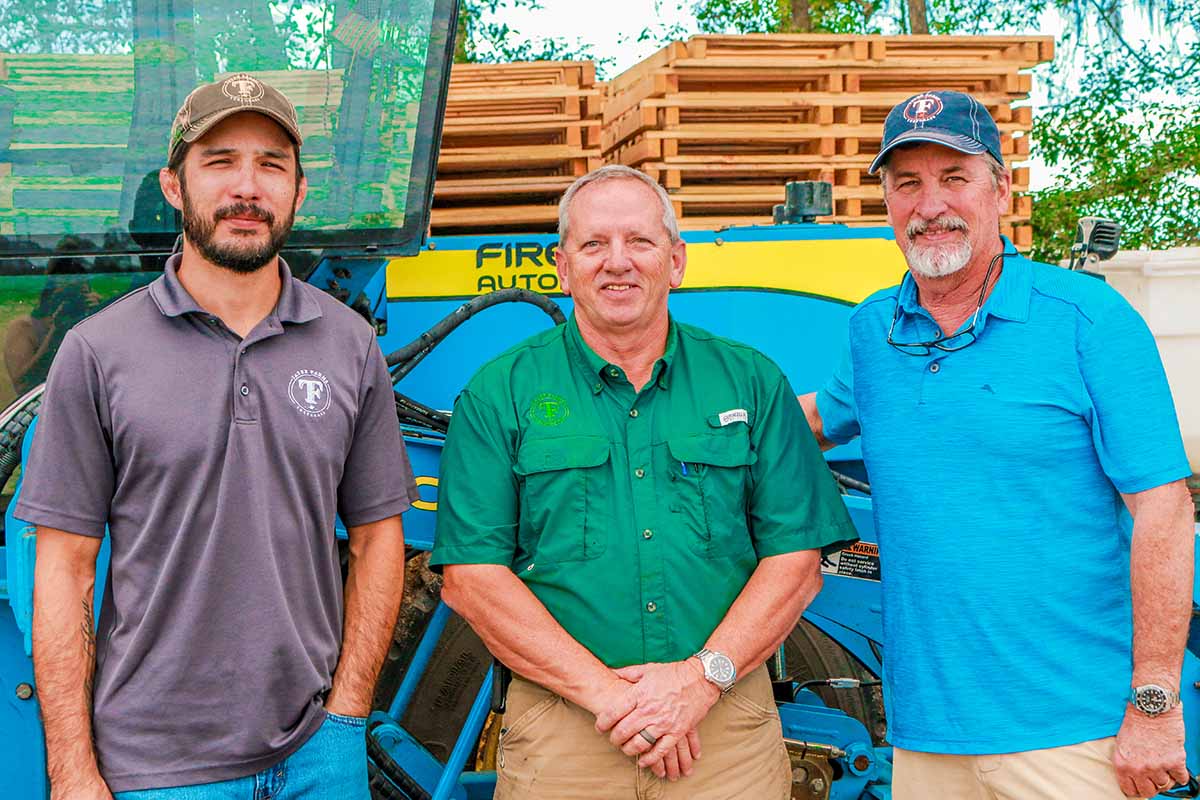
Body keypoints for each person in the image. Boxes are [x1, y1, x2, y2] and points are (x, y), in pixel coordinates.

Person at [17, 74, 419, 799]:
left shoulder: (350, 346)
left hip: (318, 758)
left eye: (271, 165)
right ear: (174, 186)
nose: (247, 187)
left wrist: (347, 715)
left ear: (299, 190)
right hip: (155, 770)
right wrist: (72, 769)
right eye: (220, 161)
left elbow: (378, 539)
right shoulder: (98, 351)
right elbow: (64, 568)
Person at [799, 89, 1195, 800]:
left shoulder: (1088, 320)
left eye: (954, 177)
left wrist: (1155, 704)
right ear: (887, 202)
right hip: (926, 738)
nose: (930, 205)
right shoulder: (873, 331)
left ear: (1001, 190)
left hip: (1075, 735)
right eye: (907, 183)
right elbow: (811, 420)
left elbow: (1164, 512)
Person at [431, 164, 858, 799]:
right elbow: (472, 578)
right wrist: (611, 697)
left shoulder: (751, 383)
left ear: (676, 261)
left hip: (723, 728)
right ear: (562, 267)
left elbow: (796, 560)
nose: (617, 262)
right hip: (565, 730)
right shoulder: (500, 394)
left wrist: (698, 682)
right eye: (593, 244)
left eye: (639, 241)